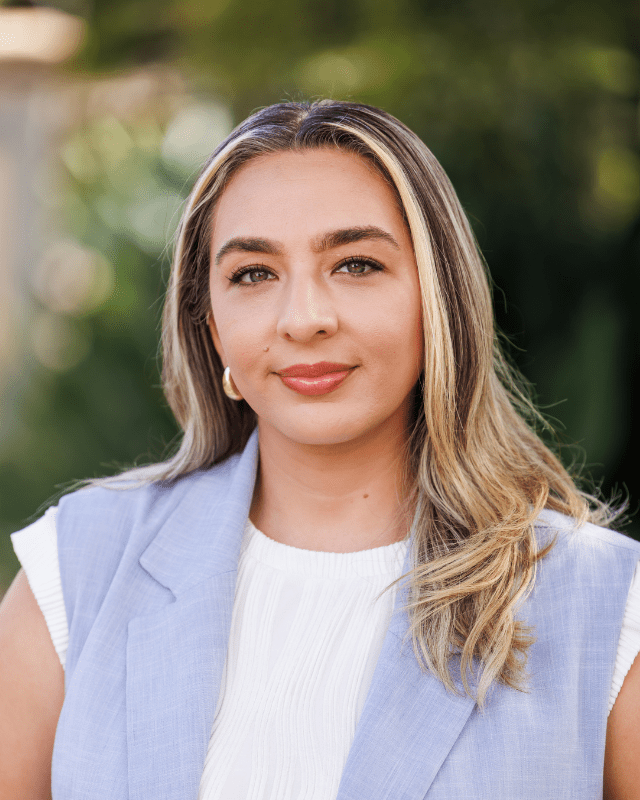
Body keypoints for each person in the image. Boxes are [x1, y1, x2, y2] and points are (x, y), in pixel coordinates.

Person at [0, 100, 638, 800]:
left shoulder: (606, 606)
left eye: (356, 264)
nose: (304, 319)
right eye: (253, 274)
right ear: (212, 326)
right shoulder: (78, 572)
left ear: (438, 298)